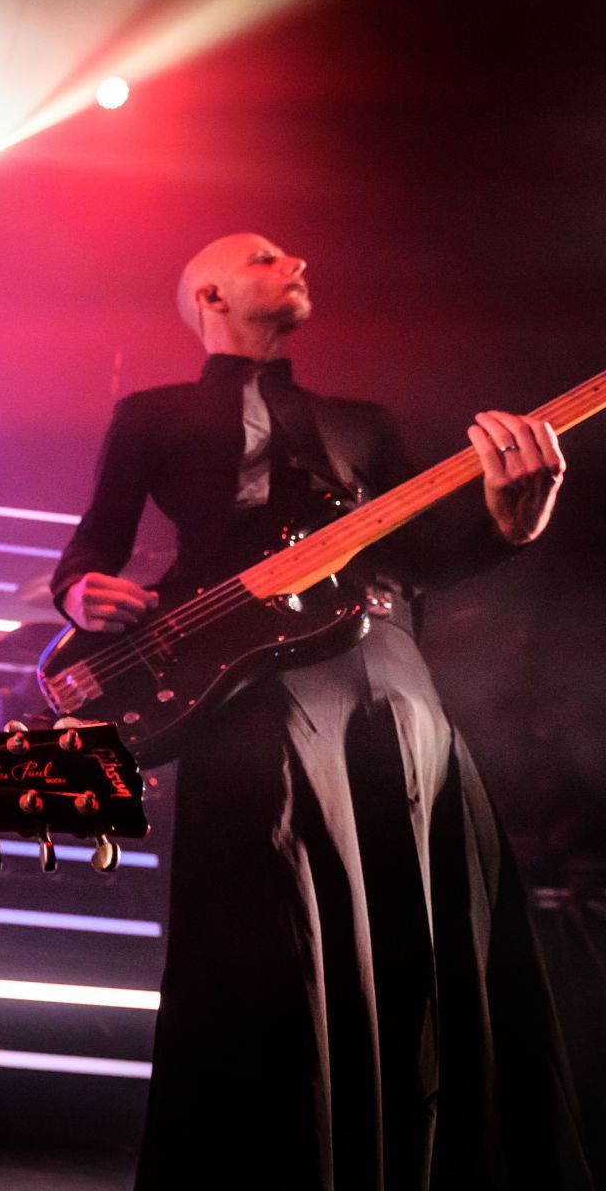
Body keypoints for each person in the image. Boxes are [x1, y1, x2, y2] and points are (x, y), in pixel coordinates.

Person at [51, 233, 592, 1188]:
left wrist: (515, 525)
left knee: (417, 941)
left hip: (388, 681)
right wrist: (79, 591)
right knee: (272, 952)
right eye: (264, 256)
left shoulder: (363, 422)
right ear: (210, 293)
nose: (294, 258)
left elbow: (425, 560)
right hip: (243, 693)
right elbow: (92, 548)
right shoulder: (153, 413)